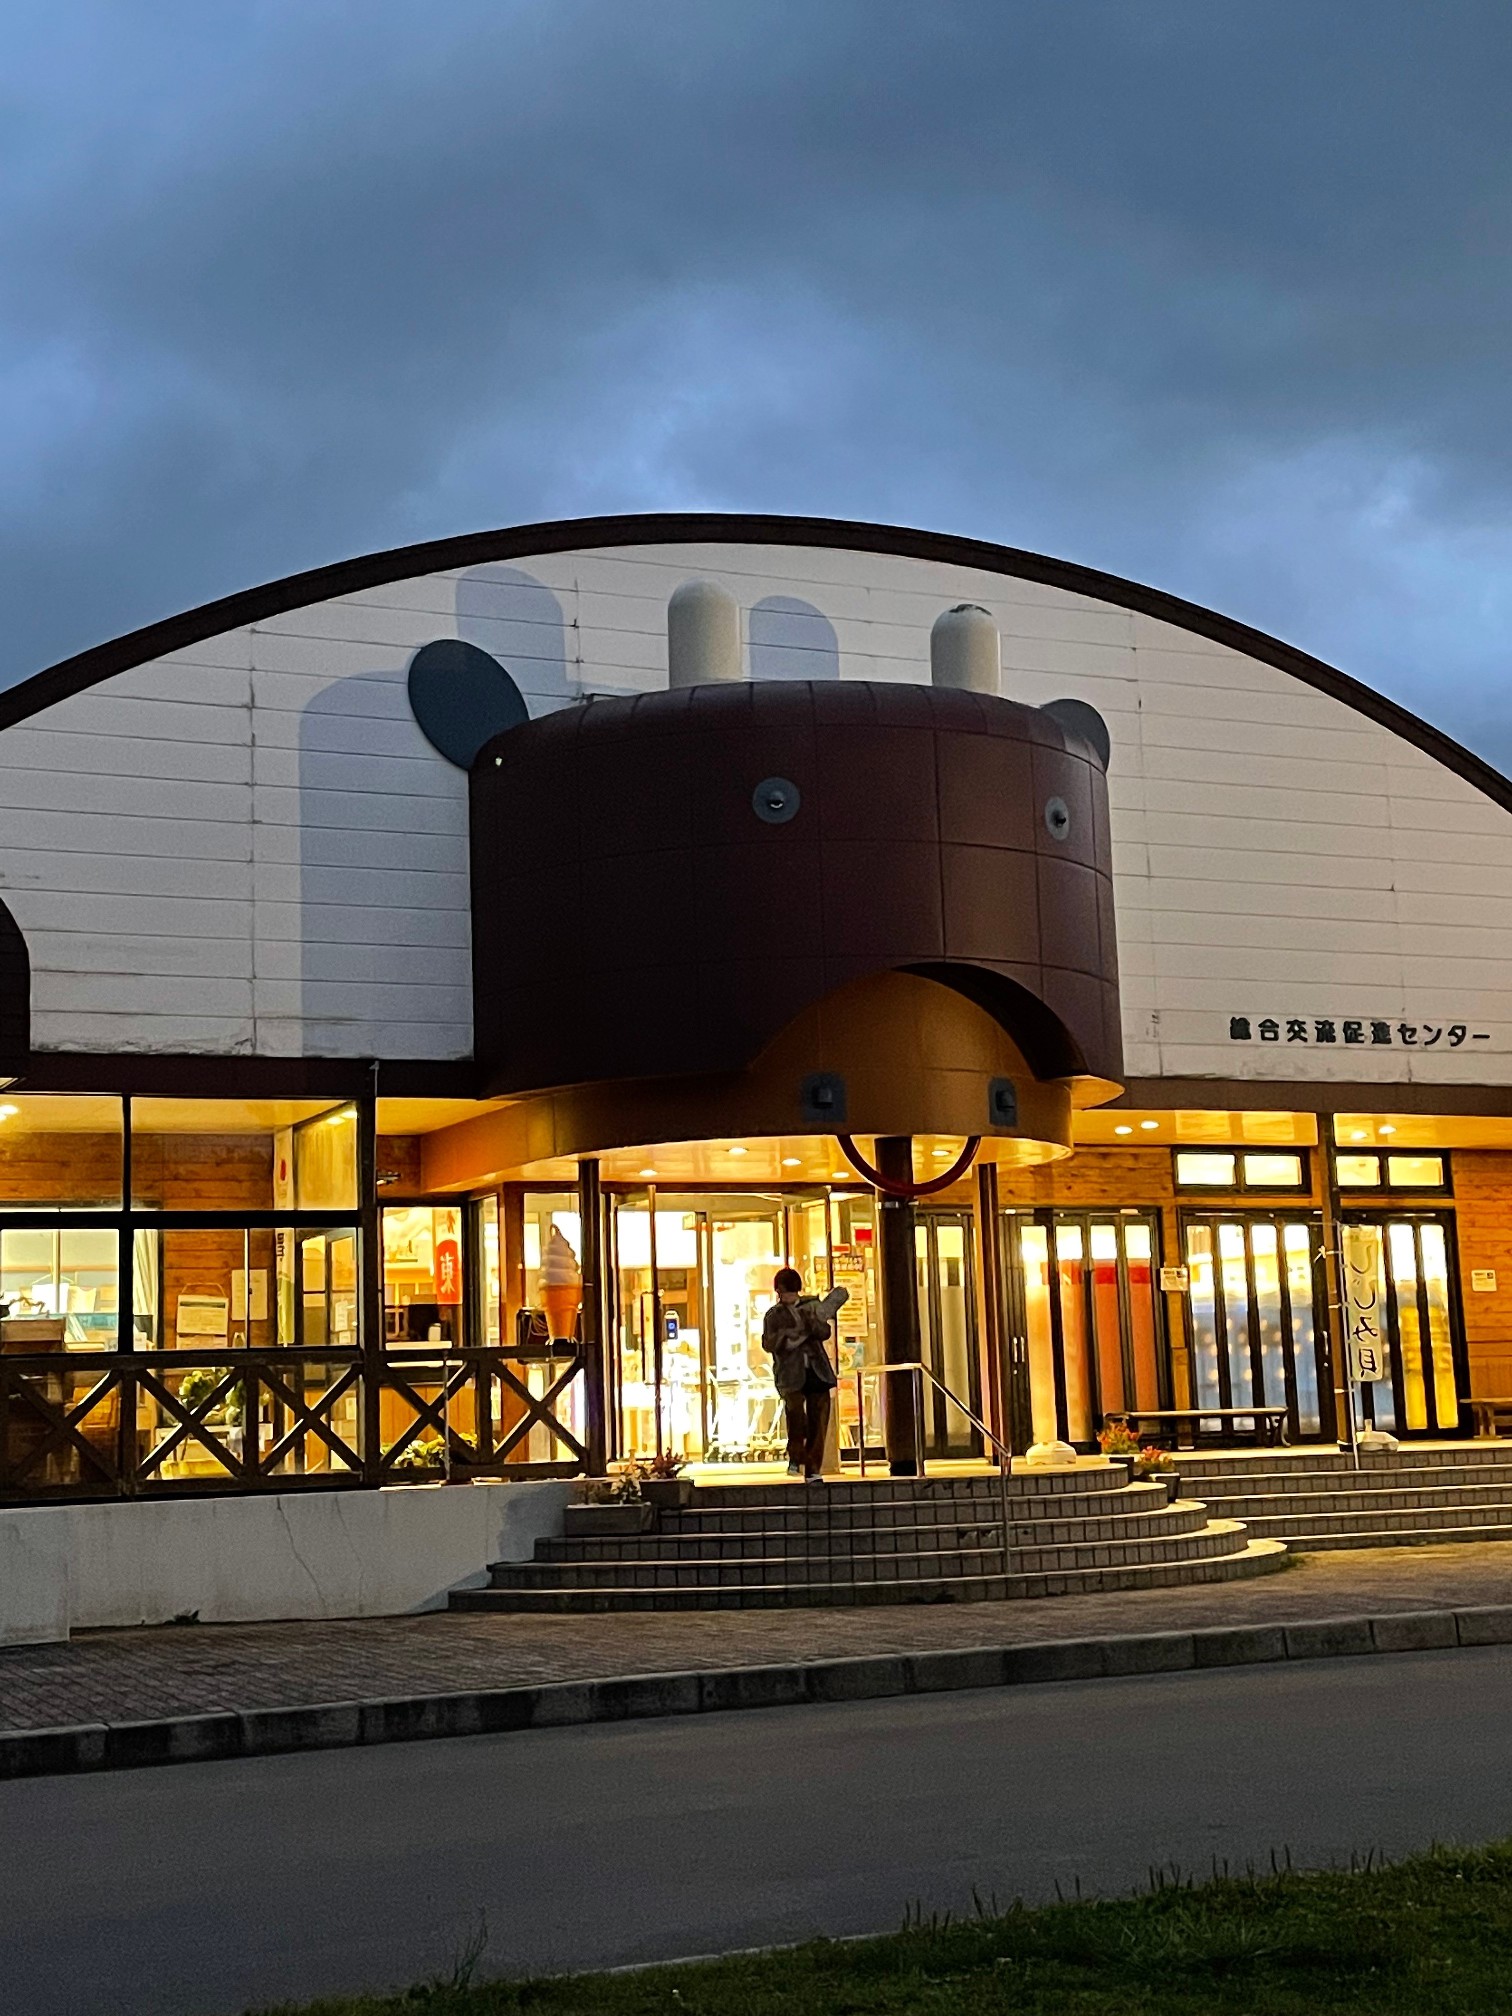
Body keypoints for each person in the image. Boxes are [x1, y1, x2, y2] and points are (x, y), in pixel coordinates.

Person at [762, 1268, 846, 1483]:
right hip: (791, 1374)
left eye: (786, 1292)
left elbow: (824, 1332)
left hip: (817, 1369)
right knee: (796, 1416)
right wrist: (787, 1335)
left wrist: (812, 1323)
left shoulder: (811, 1306)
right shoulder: (774, 1314)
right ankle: (796, 1454)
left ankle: (813, 1468)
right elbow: (768, 1343)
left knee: (819, 1418)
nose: (785, 1296)